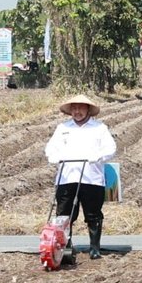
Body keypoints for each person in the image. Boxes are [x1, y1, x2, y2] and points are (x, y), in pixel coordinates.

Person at [45, 93, 117, 259]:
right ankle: (65, 245)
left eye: (80, 108)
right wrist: (53, 157)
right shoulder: (63, 128)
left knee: (93, 213)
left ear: (88, 110)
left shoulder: (99, 128)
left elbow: (110, 148)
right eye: (74, 108)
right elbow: (51, 148)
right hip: (66, 177)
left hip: (92, 178)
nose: (77, 111)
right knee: (64, 213)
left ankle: (94, 247)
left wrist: (98, 156)